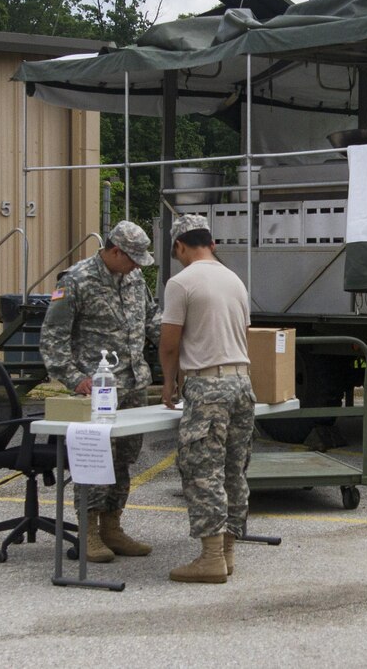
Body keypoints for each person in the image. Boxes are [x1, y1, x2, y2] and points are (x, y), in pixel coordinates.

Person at [39, 220, 162, 563]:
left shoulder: (134, 278)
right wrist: (74, 378)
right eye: (132, 258)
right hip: (97, 389)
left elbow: (150, 320)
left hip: (133, 385)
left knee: (124, 459)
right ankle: (88, 531)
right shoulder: (76, 280)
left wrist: (179, 337)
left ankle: (112, 526)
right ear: (114, 251)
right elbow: (52, 339)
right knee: (94, 458)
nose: (138, 265)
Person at [159, 213, 255, 584]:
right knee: (234, 471)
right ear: (212, 244)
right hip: (242, 384)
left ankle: (211, 558)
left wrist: (169, 383)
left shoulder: (181, 283)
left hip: (208, 386)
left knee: (203, 472)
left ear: (180, 246)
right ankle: (228, 553)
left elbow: (170, 345)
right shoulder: (235, 280)